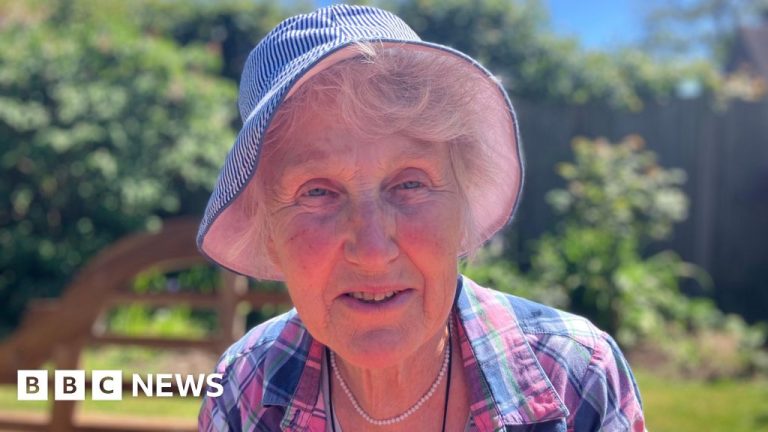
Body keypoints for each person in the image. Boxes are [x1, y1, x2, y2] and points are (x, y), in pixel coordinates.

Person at [197, 5, 645, 431]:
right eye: (317, 192)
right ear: (269, 230)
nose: (373, 252)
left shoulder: (577, 377)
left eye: (409, 184)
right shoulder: (243, 389)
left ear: (462, 201)